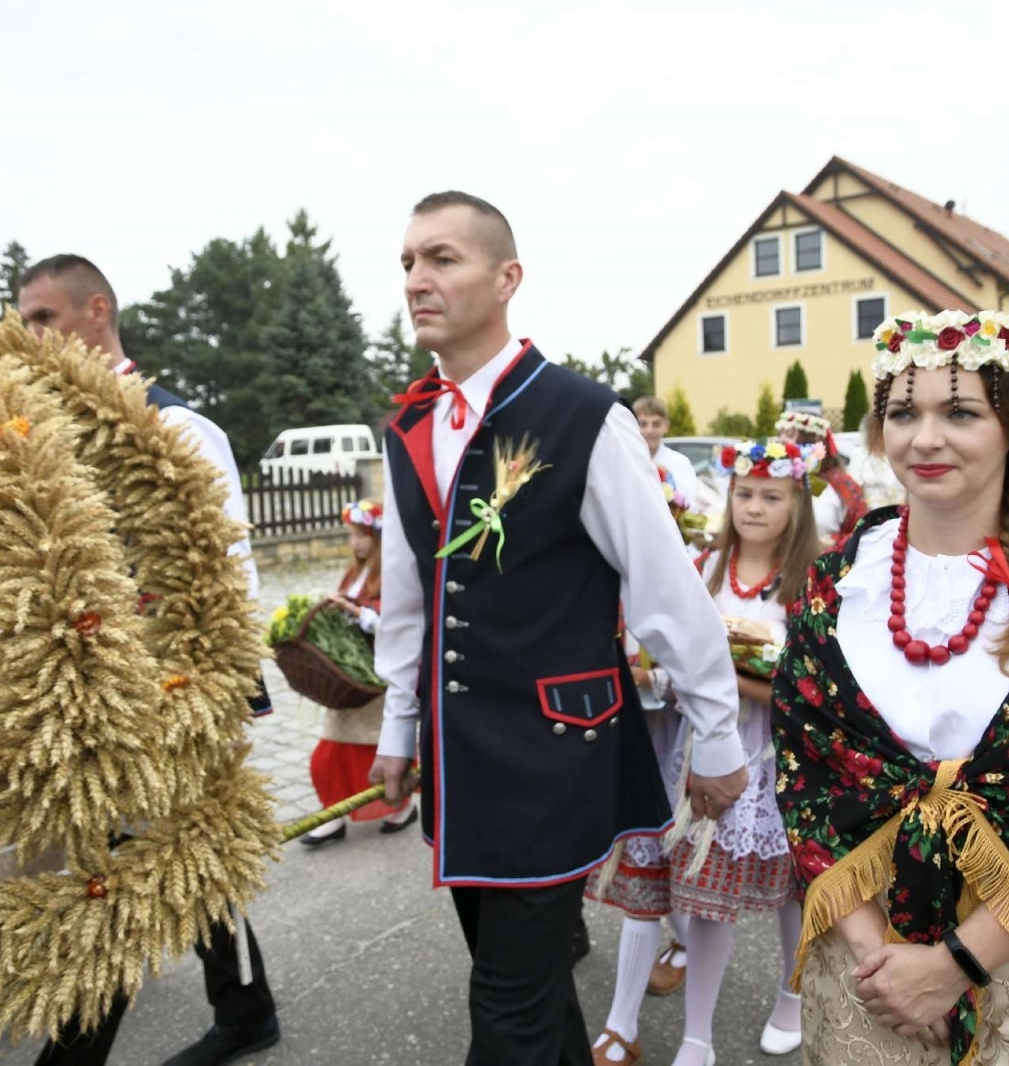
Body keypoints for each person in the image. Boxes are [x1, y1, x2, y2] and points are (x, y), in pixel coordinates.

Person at [370, 191, 746, 1066]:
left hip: (553, 753)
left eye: (441, 259)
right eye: (408, 264)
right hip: (461, 759)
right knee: (529, 991)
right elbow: (408, 592)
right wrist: (396, 726)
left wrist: (716, 732)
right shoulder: (411, 426)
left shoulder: (585, 415)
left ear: (508, 279)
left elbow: (664, 587)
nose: (418, 280)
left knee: (505, 1012)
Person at [773, 310, 1009, 1064]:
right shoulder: (836, 582)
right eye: (902, 412)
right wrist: (880, 964)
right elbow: (807, 773)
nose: (925, 439)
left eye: (959, 412)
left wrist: (954, 966)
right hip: (870, 941)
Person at [16, 256, 279, 1066]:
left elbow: (225, 574)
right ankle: (244, 1008)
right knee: (178, 855)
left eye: (43, 319)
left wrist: (191, 684)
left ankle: (75, 1055)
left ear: (97, 311)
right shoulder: (43, 432)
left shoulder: (174, 426)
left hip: (168, 690)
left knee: (123, 870)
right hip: (93, 689)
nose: (29, 338)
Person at [588, 437, 821, 1066]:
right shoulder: (705, 567)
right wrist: (661, 675)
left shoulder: (812, 579)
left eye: (772, 496)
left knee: (795, 894)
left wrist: (731, 678)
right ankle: (698, 1035)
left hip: (780, 757)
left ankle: (791, 997)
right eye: (744, 493)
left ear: (797, 502)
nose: (754, 507)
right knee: (704, 895)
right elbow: (672, 654)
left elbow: (811, 688)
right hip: (705, 753)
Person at [298, 499, 419, 846]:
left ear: (379, 537)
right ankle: (333, 813)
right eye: (352, 535)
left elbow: (394, 622)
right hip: (347, 675)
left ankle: (400, 805)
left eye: (362, 535)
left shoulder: (391, 573)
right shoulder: (355, 571)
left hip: (375, 676)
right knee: (329, 754)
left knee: (376, 749)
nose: (356, 543)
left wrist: (355, 611)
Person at [777, 410, 866, 544]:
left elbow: (861, 529)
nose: (781, 440)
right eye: (780, 434)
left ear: (815, 439)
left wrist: (833, 545)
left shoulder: (841, 483)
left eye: (790, 434)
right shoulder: (774, 479)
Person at [634, 395, 700, 514]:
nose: (649, 430)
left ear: (666, 427)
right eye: (643, 424)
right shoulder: (627, 462)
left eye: (656, 424)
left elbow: (687, 504)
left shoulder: (680, 463)